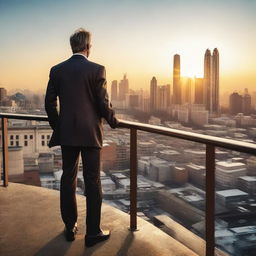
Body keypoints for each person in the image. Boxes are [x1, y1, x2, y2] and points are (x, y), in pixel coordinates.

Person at [45, 28, 119, 247]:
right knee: (93, 180)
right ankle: (93, 232)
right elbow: (103, 104)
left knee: (68, 178)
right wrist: (114, 121)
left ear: (72, 46)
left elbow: (49, 104)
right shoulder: (97, 69)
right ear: (88, 47)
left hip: (67, 133)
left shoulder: (57, 70)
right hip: (90, 134)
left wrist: (59, 126)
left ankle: (70, 227)